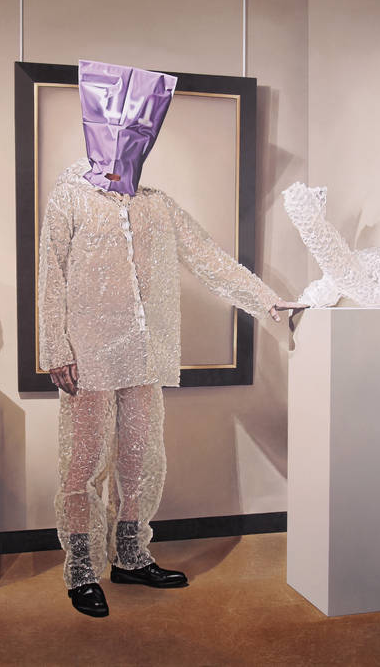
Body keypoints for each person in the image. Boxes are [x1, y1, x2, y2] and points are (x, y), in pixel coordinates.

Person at [38, 60, 304, 617]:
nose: (123, 142)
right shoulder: (69, 198)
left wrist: (267, 301)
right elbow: (50, 274)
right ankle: (81, 570)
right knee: (83, 463)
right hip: (87, 354)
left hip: (145, 352)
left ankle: (132, 557)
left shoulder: (158, 205)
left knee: (140, 456)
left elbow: (208, 258)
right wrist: (55, 349)